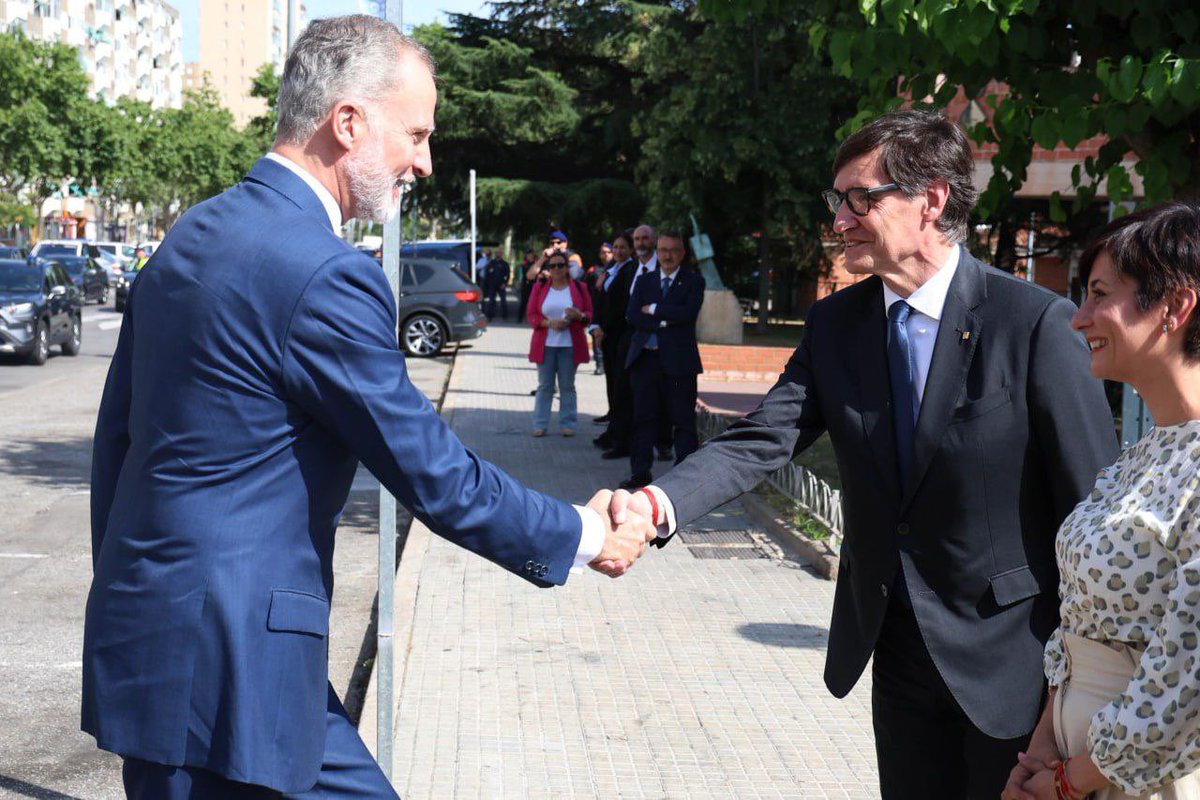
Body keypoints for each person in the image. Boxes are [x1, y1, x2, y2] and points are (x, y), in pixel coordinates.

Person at [82, 16, 654, 799]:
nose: (423, 161)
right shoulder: (324, 272)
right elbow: (433, 471)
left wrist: (133, 589)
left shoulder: (191, 235)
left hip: (167, 642)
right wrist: (585, 535)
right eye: (415, 134)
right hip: (232, 669)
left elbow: (119, 441)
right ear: (347, 122)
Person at [605, 109, 1119, 799]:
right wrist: (654, 504)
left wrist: (1070, 703)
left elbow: (1094, 520)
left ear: (931, 200)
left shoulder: (1032, 325)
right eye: (836, 200)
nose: (839, 220)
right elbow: (764, 439)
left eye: (859, 199)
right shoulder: (836, 324)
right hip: (896, 654)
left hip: (1017, 672)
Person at [1001, 202, 1200, 800]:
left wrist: (1071, 781)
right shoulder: (1138, 457)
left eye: (1099, 294)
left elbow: (1188, 679)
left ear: (1175, 306)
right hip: (1069, 763)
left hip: (1145, 779)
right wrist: (1042, 752)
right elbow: (1079, 625)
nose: (1078, 317)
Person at [620, 230, 704, 489]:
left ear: (682, 253)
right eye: (663, 250)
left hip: (679, 363)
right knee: (643, 418)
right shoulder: (645, 281)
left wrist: (655, 310)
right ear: (657, 253)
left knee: (683, 420)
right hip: (645, 360)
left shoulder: (693, 281)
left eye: (673, 250)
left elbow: (688, 313)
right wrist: (669, 319)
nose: (668, 255)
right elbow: (633, 315)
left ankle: (685, 477)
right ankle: (640, 472)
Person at [527, 250, 593, 437]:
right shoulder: (539, 288)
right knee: (544, 386)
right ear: (548, 269)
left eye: (560, 265)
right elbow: (532, 315)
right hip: (545, 345)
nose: (556, 269)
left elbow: (589, 314)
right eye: (552, 265)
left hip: (570, 345)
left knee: (567, 385)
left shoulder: (579, 288)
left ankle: (568, 423)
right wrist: (549, 323)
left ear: (567, 268)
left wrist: (578, 316)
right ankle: (540, 424)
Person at [594, 231, 638, 452]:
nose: (619, 251)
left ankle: (621, 436)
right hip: (608, 335)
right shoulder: (611, 269)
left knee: (621, 385)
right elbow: (601, 300)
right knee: (612, 381)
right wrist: (596, 326)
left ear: (630, 250)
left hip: (619, 333)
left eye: (623, 247)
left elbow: (621, 306)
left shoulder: (630, 270)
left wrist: (604, 327)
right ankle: (613, 428)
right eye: (616, 247)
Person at [586, 242, 613, 376]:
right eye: (603, 252)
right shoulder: (593, 271)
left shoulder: (617, 269)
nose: (606, 254)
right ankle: (599, 364)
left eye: (608, 252)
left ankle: (607, 364)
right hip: (595, 308)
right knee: (596, 336)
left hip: (610, 310)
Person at [482, 250, 510, 320]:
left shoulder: (505, 264)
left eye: (500, 253)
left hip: (501, 284)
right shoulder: (491, 263)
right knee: (491, 301)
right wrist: (488, 283)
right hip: (492, 285)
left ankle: (505, 316)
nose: (499, 254)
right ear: (495, 254)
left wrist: (505, 283)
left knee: (503, 301)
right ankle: (490, 316)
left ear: (502, 254)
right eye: (497, 253)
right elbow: (487, 273)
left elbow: (508, 275)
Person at [517, 249, 536, 323]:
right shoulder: (524, 263)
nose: (530, 256)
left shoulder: (536, 262)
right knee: (523, 302)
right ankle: (520, 318)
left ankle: (532, 318)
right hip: (525, 284)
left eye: (531, 254)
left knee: (533, 302)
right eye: (528, 255)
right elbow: (522, 273)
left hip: (533, 284)